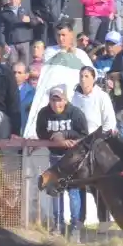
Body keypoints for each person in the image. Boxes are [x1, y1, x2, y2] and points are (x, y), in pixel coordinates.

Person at [35, 85, 90, 237]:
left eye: (59, 100)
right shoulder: (44, 114)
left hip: (73, 159)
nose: (56, 104)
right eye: (53, 100)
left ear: (65, 99)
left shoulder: (75, 113)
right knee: (55, 191)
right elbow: (40, 132)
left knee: (73, 191)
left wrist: (65, 134)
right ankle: (57, 224)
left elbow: (84, 133)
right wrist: (55, 137)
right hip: (55, 157)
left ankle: (75, 228)